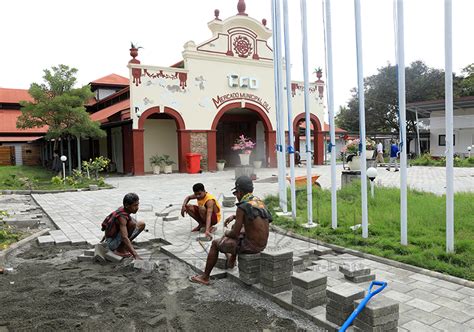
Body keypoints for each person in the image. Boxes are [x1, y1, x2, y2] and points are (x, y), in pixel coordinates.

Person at [189, 176, 272, 286]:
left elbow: (234, 233)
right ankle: (232, 259)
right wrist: (235, 217)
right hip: (262, 244)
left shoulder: (242, 206)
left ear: (240, 192)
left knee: (216, 243)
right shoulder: (259, 202)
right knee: (239, 230)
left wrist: (226, 233)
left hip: (251, 247)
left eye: (236, 193)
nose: (236, 196)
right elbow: (260, 220)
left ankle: (205, 277)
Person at [99, 193, 145, 259]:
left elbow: (111, 225)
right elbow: (124, 237)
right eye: (135, 205)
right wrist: (136, 255)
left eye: (138, 204)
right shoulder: (122, 217)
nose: (137, 208)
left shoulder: (123, 209)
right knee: (132, 224)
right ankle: (119, 250)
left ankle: (125, 246)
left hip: (112, 239)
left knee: (141, 224)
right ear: (126, 205)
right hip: (112, 244)